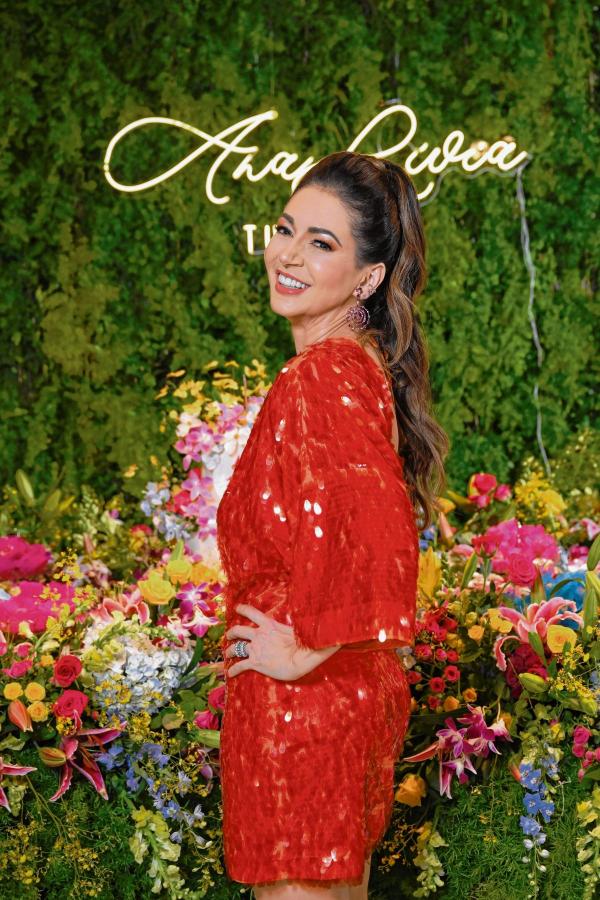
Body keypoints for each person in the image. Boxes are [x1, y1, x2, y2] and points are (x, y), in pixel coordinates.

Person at [216, 151, 449, 899]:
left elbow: (378, 536)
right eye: (286, 230)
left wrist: (302, 651)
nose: (287, 254)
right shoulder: (356, 367)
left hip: (304, 714)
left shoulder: (321, 376)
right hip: (330, 704)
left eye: (321, 243)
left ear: (368, 277)